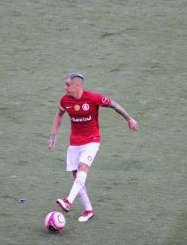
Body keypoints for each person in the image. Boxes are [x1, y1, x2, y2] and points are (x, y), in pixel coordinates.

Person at [48, 72, 138, 222]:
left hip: (92, 141)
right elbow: (59, 115)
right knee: (77, 178)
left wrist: (129, 118)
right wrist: (53, 135)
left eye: (67, 85)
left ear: (77, 85)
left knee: (83, 170)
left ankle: (68, 201)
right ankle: (88, 210)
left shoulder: (93, 98)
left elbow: (114, 105)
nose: (65, 88)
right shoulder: (65, 101)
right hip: (74, 143)